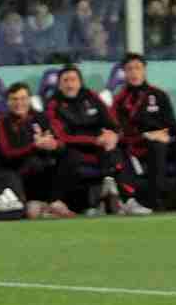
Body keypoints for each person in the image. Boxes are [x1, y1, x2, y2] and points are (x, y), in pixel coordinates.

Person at [45, 64, 150, 216]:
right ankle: (85, 203)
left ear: (80, 82)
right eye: (65, 80)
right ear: (59, 85)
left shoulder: (92, 96)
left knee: (118, 152)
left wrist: (113, 135)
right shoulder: (53, 104)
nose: (70, 84)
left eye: (73, 80)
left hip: (100, 147)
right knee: (70, 157)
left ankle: (128, 201)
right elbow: (63, 136)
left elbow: (111, 122)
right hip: (73, 148)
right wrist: (95, 140)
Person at [113, 53, 176, 211]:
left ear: (144, 70)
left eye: (137, 68)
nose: (134, 73)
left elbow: (172, 124)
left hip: (165, 139)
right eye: (129, 69)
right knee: (157, 146)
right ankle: (157, 200)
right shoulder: (120, 99)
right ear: (124, 73)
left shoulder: (159, 94)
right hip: (139, 145)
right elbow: (122, 132)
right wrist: (148, 135)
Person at [0, 81, 76, 218]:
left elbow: (61, 142)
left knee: (71, 156)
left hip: (45, 165)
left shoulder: (41, 117)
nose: (19, 103)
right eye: (14, 99)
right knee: (34, 163)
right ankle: (38, 204)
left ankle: (53, 201)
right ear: (8, 102)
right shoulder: (1, 122)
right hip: (17, 170)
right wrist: (34, 146)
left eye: (23, 98)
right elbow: (7, 154)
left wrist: (54, 145)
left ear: (30, 99)